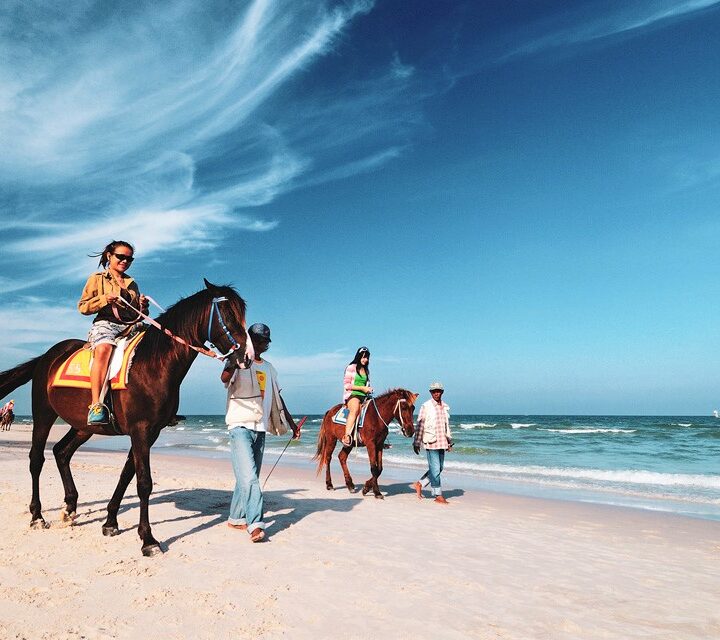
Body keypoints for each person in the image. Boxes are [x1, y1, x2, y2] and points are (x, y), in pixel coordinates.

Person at [221, 323, 300, 543]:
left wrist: (292, 425)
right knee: (249, 478)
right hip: (239, 425)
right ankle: (255, 524)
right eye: (256, 340)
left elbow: (278, 398)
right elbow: (224, 379)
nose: (261, 344)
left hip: (260, 428)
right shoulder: (238, 359)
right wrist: (234, 362)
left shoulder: (269, 368)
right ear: (249, 340)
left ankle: (236, 518)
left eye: (264, 341)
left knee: (248, 477)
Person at [78, 240, 147, 426]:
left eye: (129, 258)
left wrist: (143, 309)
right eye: (121, 257)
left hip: (129, 327)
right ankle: (96, 405)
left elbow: (136, 315)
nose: (125, 261)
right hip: (105, 324)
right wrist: (104, 299)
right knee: (104, 349)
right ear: (109, 256)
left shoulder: (132, 283)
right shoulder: (97, 278)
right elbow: (83, 307)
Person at [413, 382, 453, 504]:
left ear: (442, 392)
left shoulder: (445, 407)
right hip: (431, 441)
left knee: (439, 468)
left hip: (442, 441)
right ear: (431, 393)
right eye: (434, 391)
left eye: (439, 391)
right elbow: (420, 425)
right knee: (435, 469)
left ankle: (420, 483)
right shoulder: (426, 406)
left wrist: (449, 442)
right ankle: (438, 495)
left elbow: (446, 426)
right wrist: (416, 442)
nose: (436, 393)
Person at [341, 346, 373, 446]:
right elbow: (347, 385)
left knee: (376, 411)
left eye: (367, 358)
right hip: (352, 395)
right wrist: (362, 389)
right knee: (355, 410)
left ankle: (377, 438)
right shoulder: (351, 367)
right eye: (363, 357)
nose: (365, 360)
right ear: (359, 357)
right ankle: (347, 436)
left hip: (365, 396)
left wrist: (368, 390)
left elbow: (366, 385)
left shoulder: (366, 371)